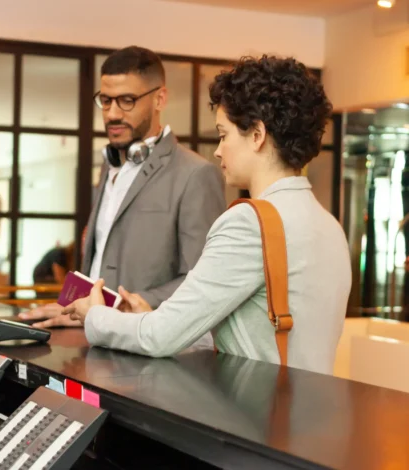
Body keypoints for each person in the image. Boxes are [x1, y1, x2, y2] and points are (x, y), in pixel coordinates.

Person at [63, 55, 351, 375]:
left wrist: (95, 316)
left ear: (257, 135)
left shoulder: (248, 223)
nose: (217, 150)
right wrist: (146, 317)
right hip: (307, 411)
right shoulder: (330, 226)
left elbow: (160, 337)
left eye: (224, 134)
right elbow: (251, 334)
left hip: (252, 417)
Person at [20, 46, 226, 327]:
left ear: (159, 99)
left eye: (127, 100)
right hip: (92, 337)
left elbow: (202, 282)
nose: (112, 114)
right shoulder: (109, 166)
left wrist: (109, 309)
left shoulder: (196, 174)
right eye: (105, 101)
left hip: (148, 352)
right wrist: (73, 309)